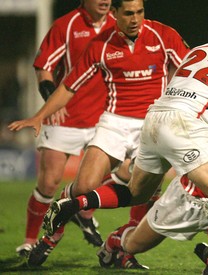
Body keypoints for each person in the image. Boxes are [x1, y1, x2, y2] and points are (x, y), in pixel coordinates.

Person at [42, 20, 208, 275]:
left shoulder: (200, 50)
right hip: (183, 124)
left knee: (137, 193)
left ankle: (76, 203)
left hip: (154, 117)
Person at [8, 0, 189, 267]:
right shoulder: (100, 45)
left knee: (141, 190)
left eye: (140, 12)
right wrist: (40, 115)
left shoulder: (164, 36)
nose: (136, 18)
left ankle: (119, 249)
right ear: (115, 14)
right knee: (84, 186)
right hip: (114, 122)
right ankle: (55, 227)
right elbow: (68, 87)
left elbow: (192, 68)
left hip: (152, 125)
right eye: (128, 13)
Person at [14, 0, 115, 258]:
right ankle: (28, 241)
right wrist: (50, 100)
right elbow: (44, 67)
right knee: (49, 182)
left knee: (108, 172)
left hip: (103, 117)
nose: (105, 1)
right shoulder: (66, 25)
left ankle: (84, 213)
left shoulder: (118, 24)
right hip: (65, 116)